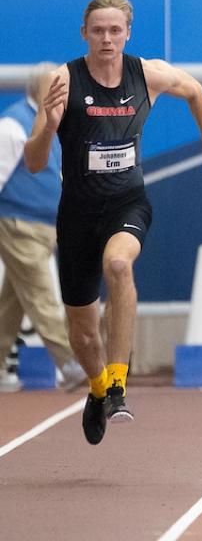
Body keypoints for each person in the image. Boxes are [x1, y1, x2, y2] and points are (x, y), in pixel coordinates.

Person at [23, 0, 202, 444]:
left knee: (120, 265)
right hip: (78, 213)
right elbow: (32, 161)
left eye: (115, 30)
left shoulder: (149, 74)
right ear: (84, 33)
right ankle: (99, 386)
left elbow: (196, 92)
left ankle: (119, 383)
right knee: (83, 334)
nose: (106, 38)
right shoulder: (62, 80)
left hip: (128, 202)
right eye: (98, 30)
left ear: (128, 33)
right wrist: (47, 124)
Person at [0, 63, 85, 392]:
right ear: (42, 90)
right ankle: (71, 363)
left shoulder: (58, 124)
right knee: (41, 294)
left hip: (46, 225)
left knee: (14, 300)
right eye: (59, 86)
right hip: (17, 223)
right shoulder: (12, 124)